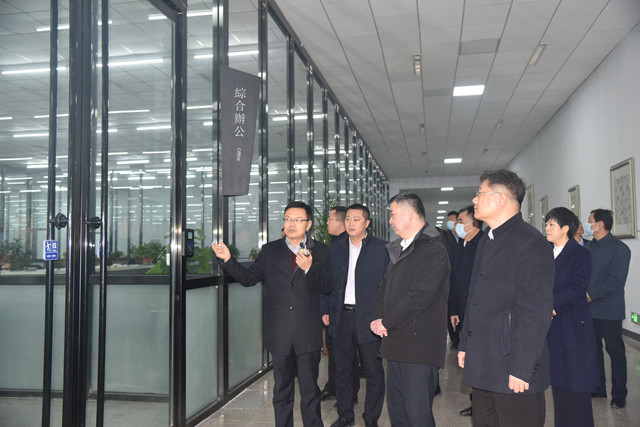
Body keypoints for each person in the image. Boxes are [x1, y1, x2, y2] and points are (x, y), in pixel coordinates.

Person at [212, 201, 333, 427]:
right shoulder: (270, 250)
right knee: (281, 391)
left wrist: (309, 268)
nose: (291, 224)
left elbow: (328, 286)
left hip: (307, 332)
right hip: (279, 332)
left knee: (310, 391)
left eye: (297, 220)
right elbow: (248, 279)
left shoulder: (322, 251)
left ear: (308, 224)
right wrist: (228, 260)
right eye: (287, 219)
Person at [458, 169, 554, 427]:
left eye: (480, 193)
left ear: (501, 199)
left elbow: (536, 312)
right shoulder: (487, 240)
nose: (475, 200)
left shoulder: (530, 242)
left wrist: (522, 367)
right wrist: (465, 343)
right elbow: (474, 297)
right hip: (484, 360)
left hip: (512, 363)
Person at [370, 193, 450, 427]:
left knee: (417, 415)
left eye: (393, 214)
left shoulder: (434, 249)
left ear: (410, 215)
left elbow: (420, 297)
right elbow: (383, 288)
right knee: (398, 412)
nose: (390, 220)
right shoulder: (400, 248)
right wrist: (377, 318)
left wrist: (386, 322)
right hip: (395, 343)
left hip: (419, 346)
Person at [327, 204, 389, 427]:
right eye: (348, 219)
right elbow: (328, 282)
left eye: (356, 219)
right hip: (342, 317)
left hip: (370, 318)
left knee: (373, 371)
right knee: (342, 370)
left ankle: (371, 418)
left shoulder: (382, 249)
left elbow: (388, 286)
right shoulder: (336, 247)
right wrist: (326, 310)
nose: (350, 223)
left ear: (367, 223)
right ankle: (345, 416)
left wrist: (383, 316)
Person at [544, 207, 599, 427]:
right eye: (546, 224)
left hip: (574, 324)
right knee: (559, 381)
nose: (547, 229)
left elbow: (577, 287)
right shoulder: (545, 253)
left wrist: (550, 302)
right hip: (553, 326)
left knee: (577, 380)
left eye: (552, 225)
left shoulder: (580, 254)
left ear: (566, 228)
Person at [584, 208, 630, 409]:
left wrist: (590, 295)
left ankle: (619, 394)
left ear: (600, 224)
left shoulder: (620, 249)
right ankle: (598, 387)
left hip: (610, 310)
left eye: (590, 220)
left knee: (615, 352)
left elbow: (616, 281)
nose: (588, 224)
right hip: (589, 309)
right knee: (593, 351)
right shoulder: (588, 248)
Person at [448, 205, 485, 417]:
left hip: (480, 313)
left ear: (474, 223)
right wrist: (453, 308)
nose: (458, 225)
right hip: (463, 312)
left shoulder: (484, 244)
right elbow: (454, 279)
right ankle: (476, 400)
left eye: (461, 221)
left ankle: (480, 402)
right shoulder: (460, 245)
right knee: (470, 359)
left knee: (479, 359)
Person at [320, 206, 349, 402]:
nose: (327, 222)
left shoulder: (343, 245)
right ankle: (335, 388)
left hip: (340, 309)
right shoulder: (335, 243)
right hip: (333, 307)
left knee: (341, 354)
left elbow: (335, 282)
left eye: (330, 219)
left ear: (340, 223)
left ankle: (340, 390)